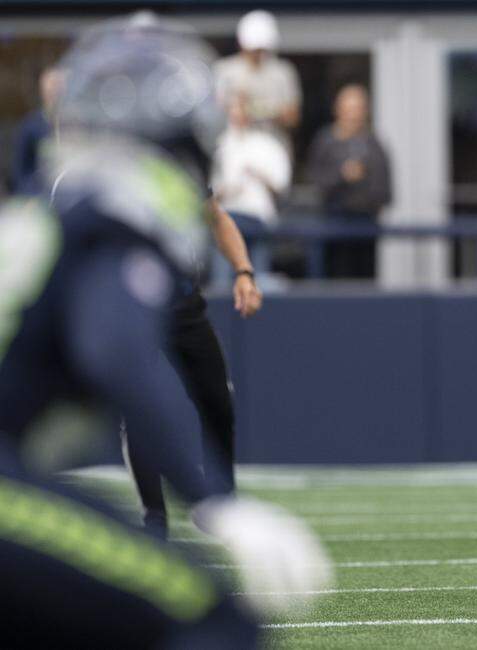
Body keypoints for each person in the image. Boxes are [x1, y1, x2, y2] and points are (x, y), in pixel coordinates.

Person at [0, 17, 328, 644]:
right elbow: (114, 346)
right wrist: (214, 502)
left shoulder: (51, 205)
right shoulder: (130, 197)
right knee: (209, 612)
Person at [121, 195, 263, 539]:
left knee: (216, 398)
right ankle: (153, 516)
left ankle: (222, 502)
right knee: (140, 405)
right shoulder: (100, 174)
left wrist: (243, 271)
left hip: (182, 302)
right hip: (130, 302)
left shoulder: (176, 171)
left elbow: (216, 217)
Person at [305, 84, 392, 279]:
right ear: (338, 109)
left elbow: (386, 191)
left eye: (358, 108)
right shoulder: (325, 141)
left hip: (366, 226)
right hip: (333, 225)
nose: (353, 115)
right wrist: (342, 176)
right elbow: (316, 185)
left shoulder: (374, 144)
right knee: (336, 282)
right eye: (349, 108)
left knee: (365, 284)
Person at [210, 93, 291, 282]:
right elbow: (208, 190)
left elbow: (281, 187)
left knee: (257, 280)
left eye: (242, 111)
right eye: (234, 111)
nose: (238, 116)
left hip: (258, 219)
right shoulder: (220, 144)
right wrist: (224, 191)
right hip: (226, 217)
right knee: (222, 282)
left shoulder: (268, 145)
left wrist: (258, 176)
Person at [213, 10, 301, 145]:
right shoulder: (224, 70)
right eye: (254, 49)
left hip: (274, 145)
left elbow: (293, 118)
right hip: (236, 144)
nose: (257, 54)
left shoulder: (283, 72)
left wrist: (277, 114)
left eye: (261, 49)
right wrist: (236, 109)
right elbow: (213, 114)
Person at [8, 66, 64, 196]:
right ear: (43, 91)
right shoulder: (31, 126)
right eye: (52, 87)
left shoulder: (75, 124)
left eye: (59, 86)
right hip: (39, 197)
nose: (56, 92)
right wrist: (29, 196)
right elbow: (20, 171)